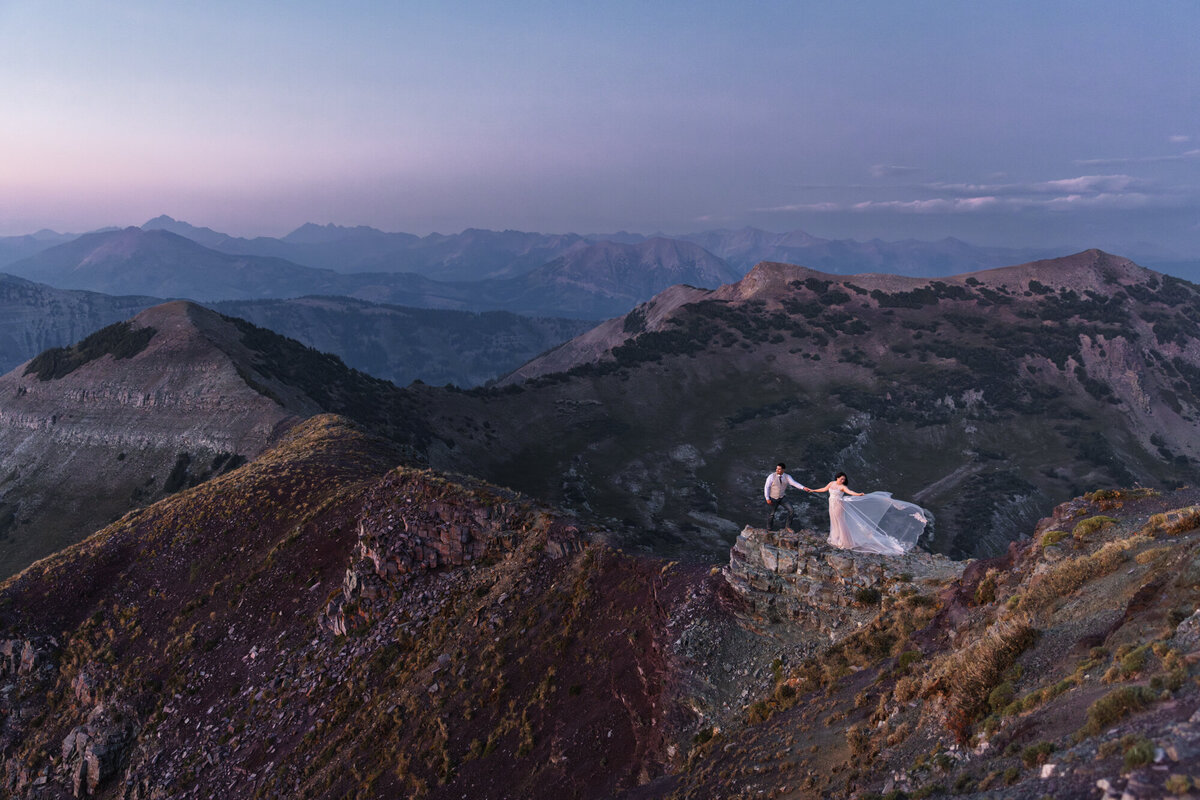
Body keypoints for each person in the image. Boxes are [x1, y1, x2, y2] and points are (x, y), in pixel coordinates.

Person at [809, 472, 931, 554]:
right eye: (841, 478)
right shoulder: (831, 483)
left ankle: (845, 541)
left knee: (840, 521)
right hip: (831, 503)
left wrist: (859, 494)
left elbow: (850, 491)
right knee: (834, 520)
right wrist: (813, 490)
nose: (842, 480)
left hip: (839, 505)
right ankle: (836, 538)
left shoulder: (842, 487)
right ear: (837, 477)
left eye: (844, 480)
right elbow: (824, 489)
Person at [764, 462, 810, 532]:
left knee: (791, 510)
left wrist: (803, 488)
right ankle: (769, 529)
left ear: (783, 470)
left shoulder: (787, 477)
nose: (777, 470)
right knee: (771, 514)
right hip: (773, 498)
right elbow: (767, 487)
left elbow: (794, 483)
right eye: (777, 468)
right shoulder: (771, 476)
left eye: (779, 469)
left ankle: (788, 527)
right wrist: (767, 498)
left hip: (782, 497)